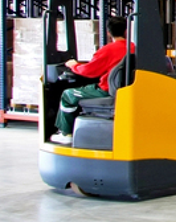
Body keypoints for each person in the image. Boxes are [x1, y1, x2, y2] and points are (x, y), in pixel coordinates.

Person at [50, 17, 132, 145]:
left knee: (68, 95)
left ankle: (66, 133)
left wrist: (74, 65)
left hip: (106, 90)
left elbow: (89, 71)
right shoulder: (133, 47)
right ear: (127, 31)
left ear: (108, 33)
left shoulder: (108, 50)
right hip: (125, 88)